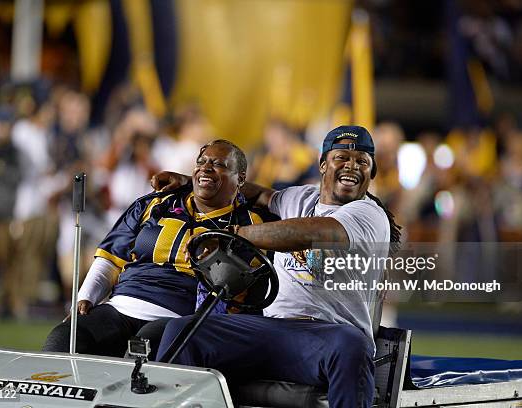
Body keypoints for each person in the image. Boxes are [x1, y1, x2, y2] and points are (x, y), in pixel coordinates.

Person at [151, 125, 401, 408]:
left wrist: (237, 235)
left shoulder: (369, 214)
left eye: (362, 162)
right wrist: (193, 181)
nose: (352, 166)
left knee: (351, 347)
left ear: (371, 173)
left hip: (328, 334)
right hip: (272, 329)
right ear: (322, 164)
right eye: (342, 157)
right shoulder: (300, 198)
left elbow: (315, 232)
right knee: (183, 332)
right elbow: (257, 194)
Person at [42, 139, 270, 357]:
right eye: (201, 162)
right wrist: (87, 296)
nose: (206, 168)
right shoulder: (155, 203)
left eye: (219, 164)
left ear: (240, 179)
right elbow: (111, 257)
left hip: (179, 316)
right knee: (64, 339)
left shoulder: (249, 224)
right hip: (122, 305)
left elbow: (242, 294)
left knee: (142, 353)